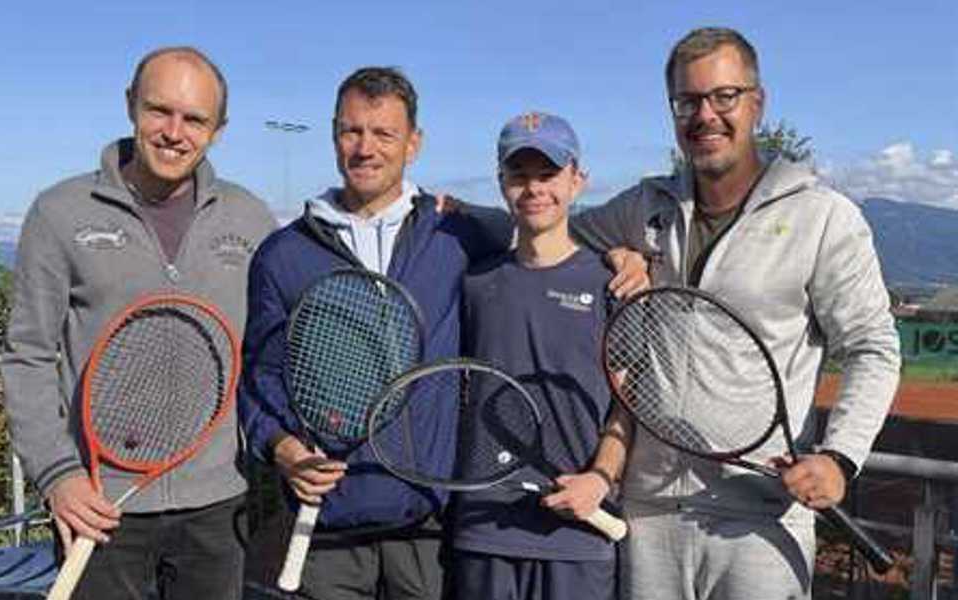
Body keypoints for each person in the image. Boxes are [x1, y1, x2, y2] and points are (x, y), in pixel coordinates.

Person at [570, 27, 901, 599]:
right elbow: (552, 231)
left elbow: (873, 346)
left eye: (724, 96)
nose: (706, 115)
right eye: (688, 101)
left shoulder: (823, 217)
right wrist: (614, 250)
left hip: (762, 520)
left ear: (757, 102)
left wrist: (840, 458)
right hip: (648, 515)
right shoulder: (643, 206)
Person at [2, 47, 278, 600]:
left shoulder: (250, 218)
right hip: (99, 505)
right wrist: (58, 474)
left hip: (218, 506)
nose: (175, 132)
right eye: (160, 110)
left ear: (218, 130)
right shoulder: (60, 212)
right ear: (131, 105)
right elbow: (27, 353)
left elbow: (270, 350)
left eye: (195, 119)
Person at [239, 66, 515, 600]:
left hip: (429, 528)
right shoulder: (283, 255)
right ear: (334, 136)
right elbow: (260, 377)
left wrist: (626, 254)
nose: (365, 148)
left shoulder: (459, 236)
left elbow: (547, 234)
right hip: (328, 532)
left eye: (384, 133)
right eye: (351, 131)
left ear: (413, 143)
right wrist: (282, 448)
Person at [452, 111, 630, 600]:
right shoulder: (474, 283)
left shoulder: (610, 284)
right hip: (483, 529)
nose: (534, 189)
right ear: (501, 182)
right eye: (519, 175)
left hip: (580, 536)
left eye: (548, 174)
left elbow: (626, 406)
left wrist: (599, 478)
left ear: (578, 181)